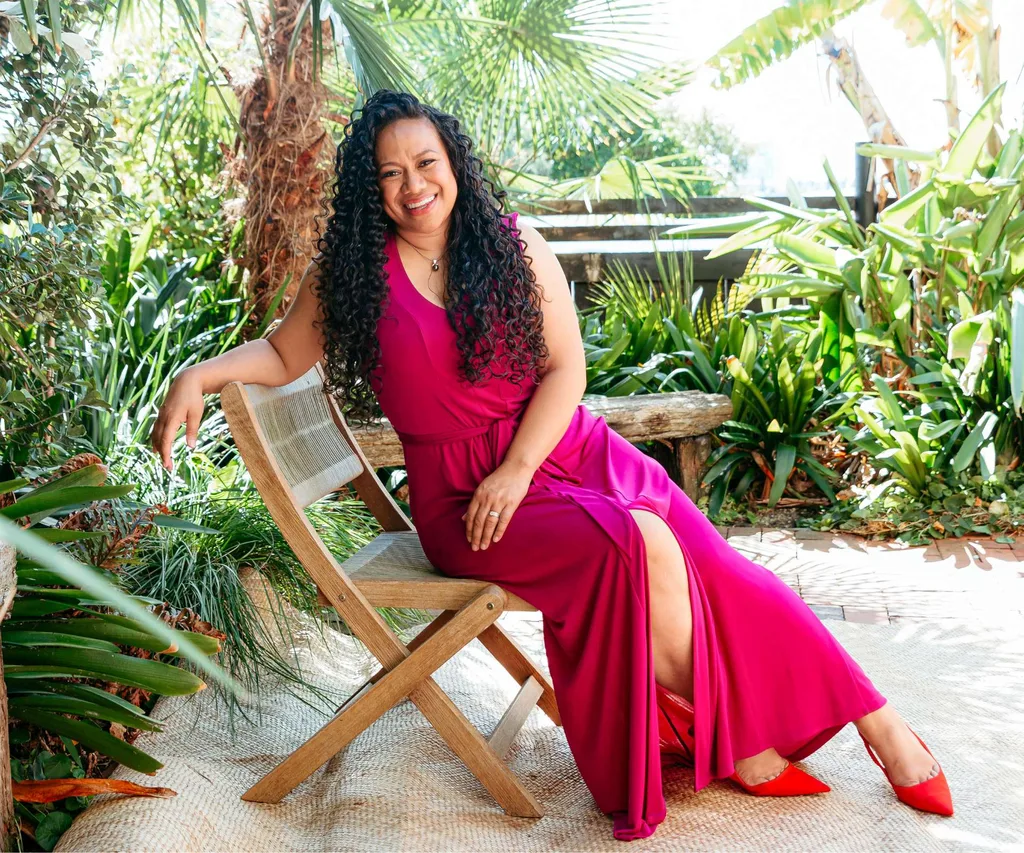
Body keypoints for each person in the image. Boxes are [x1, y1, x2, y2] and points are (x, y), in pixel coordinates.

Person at [151, 89, 953, 841]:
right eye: (390, 174)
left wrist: (518, 466)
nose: (413, 186)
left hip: (566, 450)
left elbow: (567, 370)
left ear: (453, 162)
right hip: (466, 499)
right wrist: (199, 373)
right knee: (638, 542)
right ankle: (739, 741)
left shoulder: (511, 244)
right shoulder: (353, 275)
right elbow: (284, 353)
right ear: (372, 189)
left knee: (719, 566)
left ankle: (876, 721)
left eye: (425, 163)